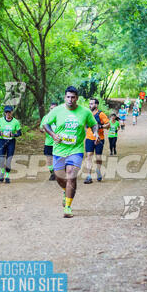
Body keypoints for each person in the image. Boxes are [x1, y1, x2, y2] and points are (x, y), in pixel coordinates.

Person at [43, 86, 98, 218]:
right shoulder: (57, 110)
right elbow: (46, 124)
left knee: (71, 175)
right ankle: (65, 190)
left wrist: (95, 133)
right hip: (59, 150)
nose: (70, 99)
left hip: (76, 149)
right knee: (59, 177)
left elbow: (93, 124)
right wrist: (53, 135)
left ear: (77, 98)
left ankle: (68, 207)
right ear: (64, 97)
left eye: (73, 97)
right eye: (68, 97)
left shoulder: (85, 112)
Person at [84, 98, 110, 184]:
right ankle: (89, 176)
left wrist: (100, 127)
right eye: (89, 103)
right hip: (89, 138)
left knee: (98, 157)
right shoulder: (87, 114)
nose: (90, 105)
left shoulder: (101, 114)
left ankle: (98, 170)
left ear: (96, 105)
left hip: (100, 139)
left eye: (92, 103)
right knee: (89, 157)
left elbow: (108, 125)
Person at [0, 105, 21, 183]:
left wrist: (14, 135)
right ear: (5, 113)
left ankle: (7, 176)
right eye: (6, 112)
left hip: (11, 142)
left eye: (9, 112)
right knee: (1, 159)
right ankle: (2, 172)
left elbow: (19, 133)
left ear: (12, 112)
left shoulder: (15, 122)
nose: (8, 113)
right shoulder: (0, 120)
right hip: (2, 141)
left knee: (9, 159)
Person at [40, 102, 58, 180]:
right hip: (48, 142)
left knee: (58, 158)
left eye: (54, 109)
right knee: (49, 159)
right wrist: (45, 130)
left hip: (59, 142)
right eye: (51, 108)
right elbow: (41, 128)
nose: (52, 110)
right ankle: (52, 173)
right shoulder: (45, 117)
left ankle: (59, 173)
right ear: (49, 109)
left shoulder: (61, 117)